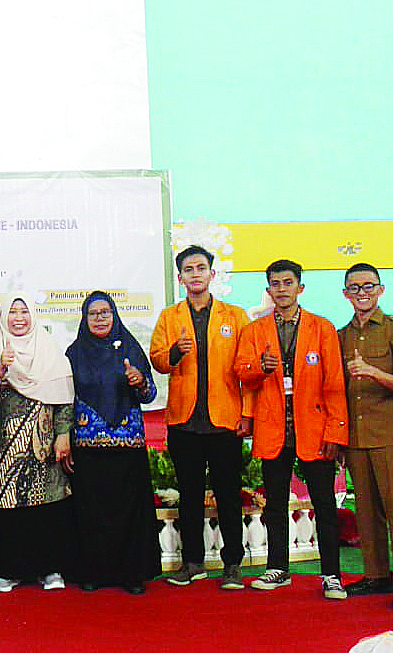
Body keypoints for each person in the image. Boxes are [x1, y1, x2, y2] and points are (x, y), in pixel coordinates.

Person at [236, 259, 348, 600]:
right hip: (273, 429)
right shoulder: (255, 330)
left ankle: (331, 574)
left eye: (288, 282)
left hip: (314, 429)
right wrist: (260, 367)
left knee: (324, 504)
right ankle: (278, 568)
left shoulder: (322, 328)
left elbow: (335, 385)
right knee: (274, 505)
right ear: (268, 290)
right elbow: (242, 371)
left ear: (300, 287)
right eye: (275, 283)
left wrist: (336, 432)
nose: (282, 289)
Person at [149, 245, 251, 590]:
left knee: (228, 493)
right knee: (189, 494)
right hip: (184, 420)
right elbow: (158, 360)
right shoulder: (169, 316)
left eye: (201, 267)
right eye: (188, 269)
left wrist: (247, 414)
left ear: (212, 273)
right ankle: (192, 563)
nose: (195, 273)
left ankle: (233, 564)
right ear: (180, 277)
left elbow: (246, 369)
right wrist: (175, 351)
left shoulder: (235, 316)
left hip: (225, 420)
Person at [337, 262, 393, 610]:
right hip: (357, 436)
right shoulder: (341, 335)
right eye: (355, 287)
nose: (362, 293)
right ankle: (376, 575)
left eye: (369, 286)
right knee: (367, 511)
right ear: (346, 293)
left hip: (391, 435)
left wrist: (371, 371)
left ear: (381, 289)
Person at [66, 290, 161, 593]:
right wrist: (65, 439)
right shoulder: (74, 353)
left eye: (105, 312)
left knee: (129, 511)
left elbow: (150, 395)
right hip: (88, 446)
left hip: (127, 445)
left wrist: (140, 381)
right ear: (85, 317)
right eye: (93, 313)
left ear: (115, 314)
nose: (100, 318)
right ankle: (93, 572)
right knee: (91, 512)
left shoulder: (130, 348)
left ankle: (131, 573)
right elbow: (64, 402)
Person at [0, 293, 75, 592]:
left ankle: (49, 569)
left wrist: (63, 434)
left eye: (24, 311)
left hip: (43, 446)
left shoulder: (50, 351)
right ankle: (8, 570)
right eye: (12, 311)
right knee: (9, 507)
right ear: (3, 316)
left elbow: (65, 398)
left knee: (46, 507)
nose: (19, 318)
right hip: (4, 445)